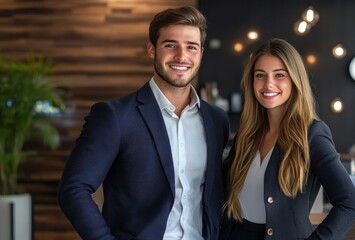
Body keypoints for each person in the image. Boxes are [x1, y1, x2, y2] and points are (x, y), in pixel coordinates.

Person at [58, 6, 230, 240]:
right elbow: (73, 189)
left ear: (200, 53)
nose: (181, 56)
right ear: (152, 49)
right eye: (170, 45)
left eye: (191, 47)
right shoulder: (115, 117)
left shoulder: (216, 120)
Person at [220, 38, 355, 240]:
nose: (268, 83)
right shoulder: (247, 133)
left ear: (295, 80)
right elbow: (222, 189)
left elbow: (350, 205)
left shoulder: (312, 133)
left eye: (279, 75)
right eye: (260, 75)